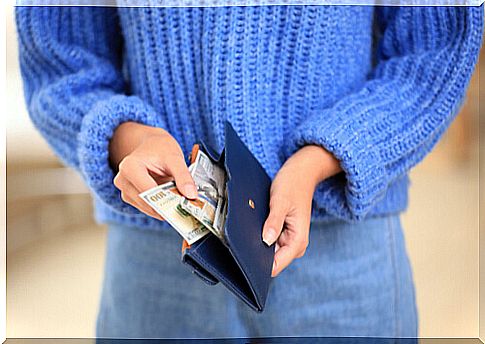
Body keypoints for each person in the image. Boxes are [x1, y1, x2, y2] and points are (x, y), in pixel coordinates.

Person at [16, 4, 483, 338]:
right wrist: (130, 138)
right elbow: (60, 61)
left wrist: (323, 157)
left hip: (342, 256)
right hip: (158, 255)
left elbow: (435, 50)